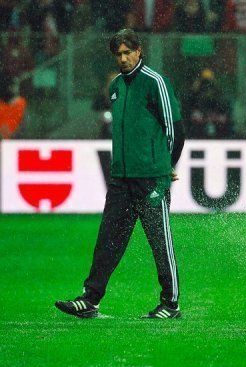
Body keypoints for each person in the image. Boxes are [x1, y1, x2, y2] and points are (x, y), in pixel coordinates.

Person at [55, 29, 186, 319]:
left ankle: (171, 304)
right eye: (119, 54)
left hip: (151, 177)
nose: (124, 59)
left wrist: (167, 166)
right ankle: (90, 300)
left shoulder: (156, 82)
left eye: (128, 52)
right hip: (121, 179)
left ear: (140, 51)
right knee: (108, 241)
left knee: (159, 240)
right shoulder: (116, 86)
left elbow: (175, 129)